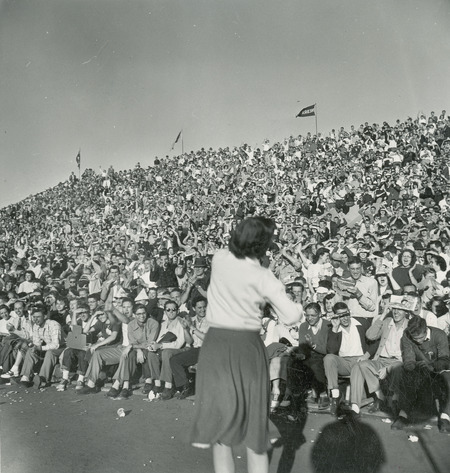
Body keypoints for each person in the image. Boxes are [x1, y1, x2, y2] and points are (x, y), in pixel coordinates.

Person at [189, 216, 302, 473]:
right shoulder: (265, 278)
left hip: (215, 347)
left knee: (220, 429)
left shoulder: (219, 260)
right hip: (245, 348)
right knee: (256, 430)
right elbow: (292, 316)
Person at [392, 316, 450, 433]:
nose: (418, 341)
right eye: (415, 338)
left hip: (439, 370)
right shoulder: (407, 335)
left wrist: (432, 367)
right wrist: (415, 368)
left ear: (425, 330)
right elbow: (408, 360)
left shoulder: (440, 335)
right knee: (406, 375)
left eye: (421, 338)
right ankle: (403, 415)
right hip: (421, 370)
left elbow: (445, 360)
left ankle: (445, 416)